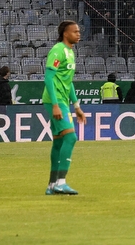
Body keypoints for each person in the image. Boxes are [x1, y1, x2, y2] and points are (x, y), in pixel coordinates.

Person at [42, 21, 87, 195]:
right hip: (56, 100)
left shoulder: (70, 52)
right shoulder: (58, 50)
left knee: (59, 141)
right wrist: (55, 105)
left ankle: (52, 185)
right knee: (71, 137)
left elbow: (68, 83)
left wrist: (76, 106)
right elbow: (48, 78)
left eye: (79, 31)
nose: (78, 34)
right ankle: (61, 182)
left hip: (62, 100)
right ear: (65, 34)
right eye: (75, 31)